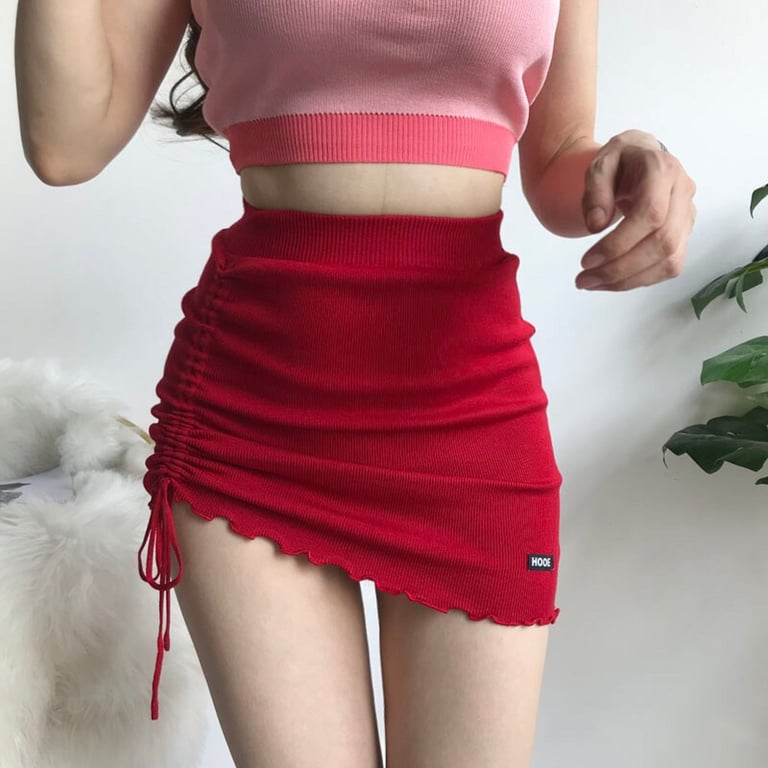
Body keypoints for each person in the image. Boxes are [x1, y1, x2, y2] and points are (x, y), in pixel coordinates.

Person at [15, 0, 697, 766]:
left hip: (471, 413)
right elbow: (65, 144)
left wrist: (633, 162)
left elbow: (560, 159)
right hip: (256, 417)